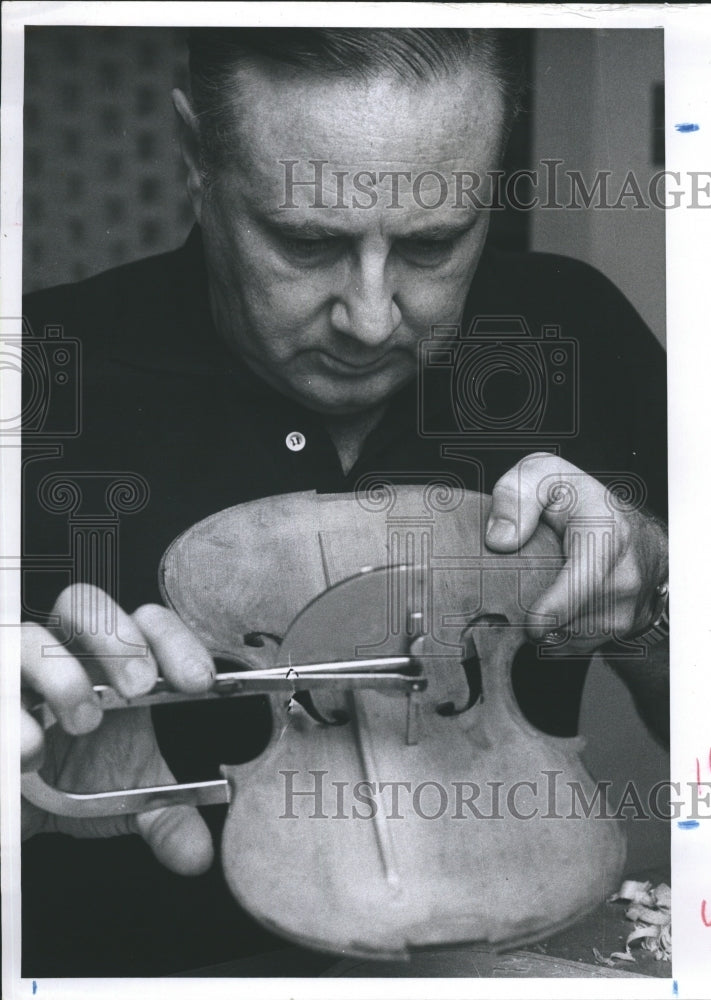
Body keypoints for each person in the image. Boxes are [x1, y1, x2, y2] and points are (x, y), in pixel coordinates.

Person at [20, 28, 668, 976]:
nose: (371, 317)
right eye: (306, 241)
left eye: (436, 242)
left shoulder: (573, 325)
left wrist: (654, 602)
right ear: (198, 153)